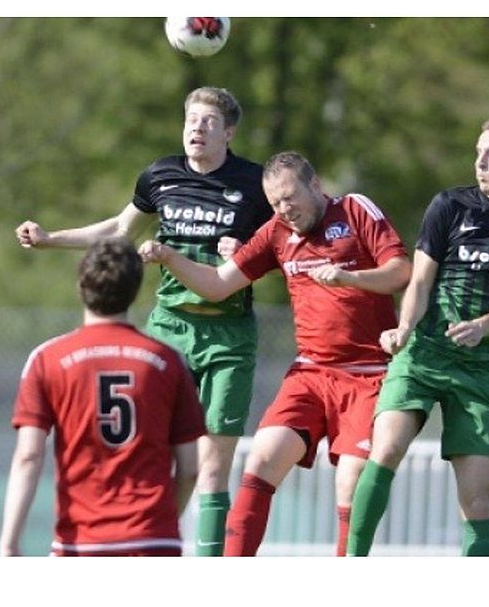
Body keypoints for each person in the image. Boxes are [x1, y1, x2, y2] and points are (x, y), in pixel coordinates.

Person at [14, 87, 273, 555]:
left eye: (209, 121)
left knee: (213, 465)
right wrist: (51, 238)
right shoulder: (161, 175)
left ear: (229, 132)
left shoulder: (255, 183)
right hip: (169, 331)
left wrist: (251, 252)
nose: (197, 127)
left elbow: (286, 239)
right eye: (191, 119)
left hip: (230, 335)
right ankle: (141, 545)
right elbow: (118, 229)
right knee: (150, 448)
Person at [140, 151, 411, 555]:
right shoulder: (277, 232)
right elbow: (217, 286)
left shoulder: (354, 210)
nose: (285, 209)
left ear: (314, 184)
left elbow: (401, 271)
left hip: (368, 374)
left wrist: (348, 277)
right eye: (275, 203)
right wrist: (169, 257)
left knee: (350, 482)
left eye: (290, 197)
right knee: (262, 459)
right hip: (311, 373)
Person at [346, 118, 489, 556]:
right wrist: (405, 327)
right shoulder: (450, 205)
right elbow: (421, 283)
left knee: (478, 500)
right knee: (386, 448)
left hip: (480, 369)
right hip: (424, 353)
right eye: (478, 151)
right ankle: (353, 565)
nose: (480, 161)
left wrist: (484, 326)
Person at [0, 237, 206, 556]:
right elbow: (191, 468)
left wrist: (9, 544)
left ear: (81, 286)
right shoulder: (168, 362)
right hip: (153, 540)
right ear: (134, 290)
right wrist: (158, 523)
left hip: (80, 545)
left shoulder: (47, 360)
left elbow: (28, 456)